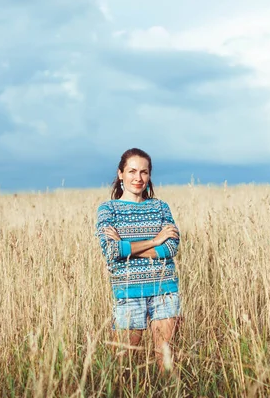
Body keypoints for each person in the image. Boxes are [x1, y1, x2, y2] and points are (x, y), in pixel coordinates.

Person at [95, 148, 181, 373]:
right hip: (128, 290)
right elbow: (111, 251)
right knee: (123, 363)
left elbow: (171, 247)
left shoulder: (160, 207)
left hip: (164, 289)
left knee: (166, 360)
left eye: (144, 172)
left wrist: (128, 248)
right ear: (120, 173)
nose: (138, 178)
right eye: (132, 171)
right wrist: (155, 240)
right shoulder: (108, 209)